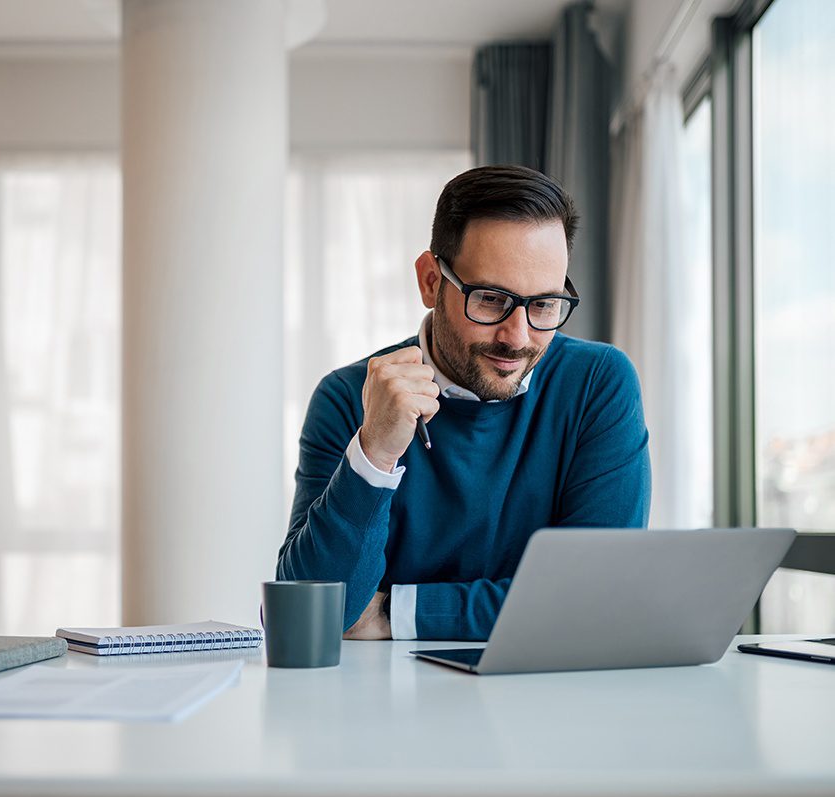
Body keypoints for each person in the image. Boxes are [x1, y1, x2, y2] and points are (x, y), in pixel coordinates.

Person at [276, 164, 651, 641]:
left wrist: (397, 613)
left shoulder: (598, 383)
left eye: (544, 305)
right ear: (431, 281)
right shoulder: (348, 398)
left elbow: (599, 598)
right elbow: (306, 615)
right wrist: (374, 454)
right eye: (492, 299)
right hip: (380, 708)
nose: (518, 338)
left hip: (549, 702)